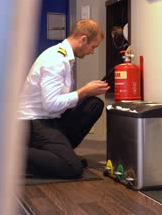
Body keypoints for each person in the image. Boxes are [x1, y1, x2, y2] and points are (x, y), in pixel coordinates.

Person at [18, 19, 109, 178]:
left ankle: (58, 153)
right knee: (72, 168)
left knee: (93, 105)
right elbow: (51, 105)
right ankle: (8, 154)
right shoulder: (56, 60)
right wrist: (84, 91)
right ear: (83, 40)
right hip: (34, 122)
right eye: (93, 47)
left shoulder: (65, 58)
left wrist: (86, 94)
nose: (92, 52)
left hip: (51, 118)